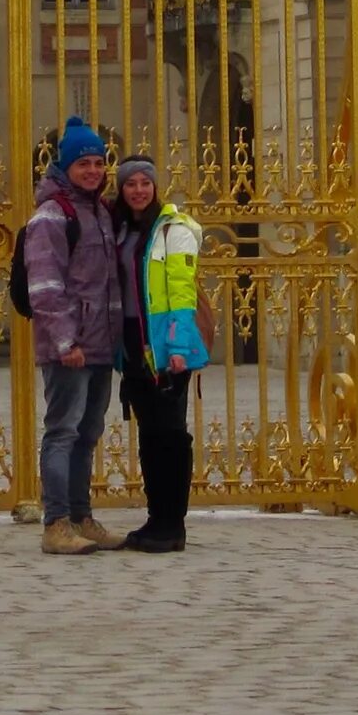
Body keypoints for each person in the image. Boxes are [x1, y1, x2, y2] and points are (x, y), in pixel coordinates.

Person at [24, 117, 127, 555]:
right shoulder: (53, 214)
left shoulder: (99, 210)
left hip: (100, 343)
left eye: (97, 162)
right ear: (65, 167)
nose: (92, 170)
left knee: (88, 433)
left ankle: (82, 516)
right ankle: (56, 522)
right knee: (62, 431)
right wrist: (66, 341)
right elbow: (46, 285)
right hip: (71, 348)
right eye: (83, 163)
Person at [110, 154, 208, 553]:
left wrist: (180, 347)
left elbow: (183, 292)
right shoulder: (119, 229)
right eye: (130, 183)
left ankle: (173, 524)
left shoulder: (173, 230)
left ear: (155, 187)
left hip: (167, 341)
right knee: (150, 433)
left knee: (171, 433)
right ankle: (156, 518)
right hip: (133, 341)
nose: (138, 190)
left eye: (144, 183)